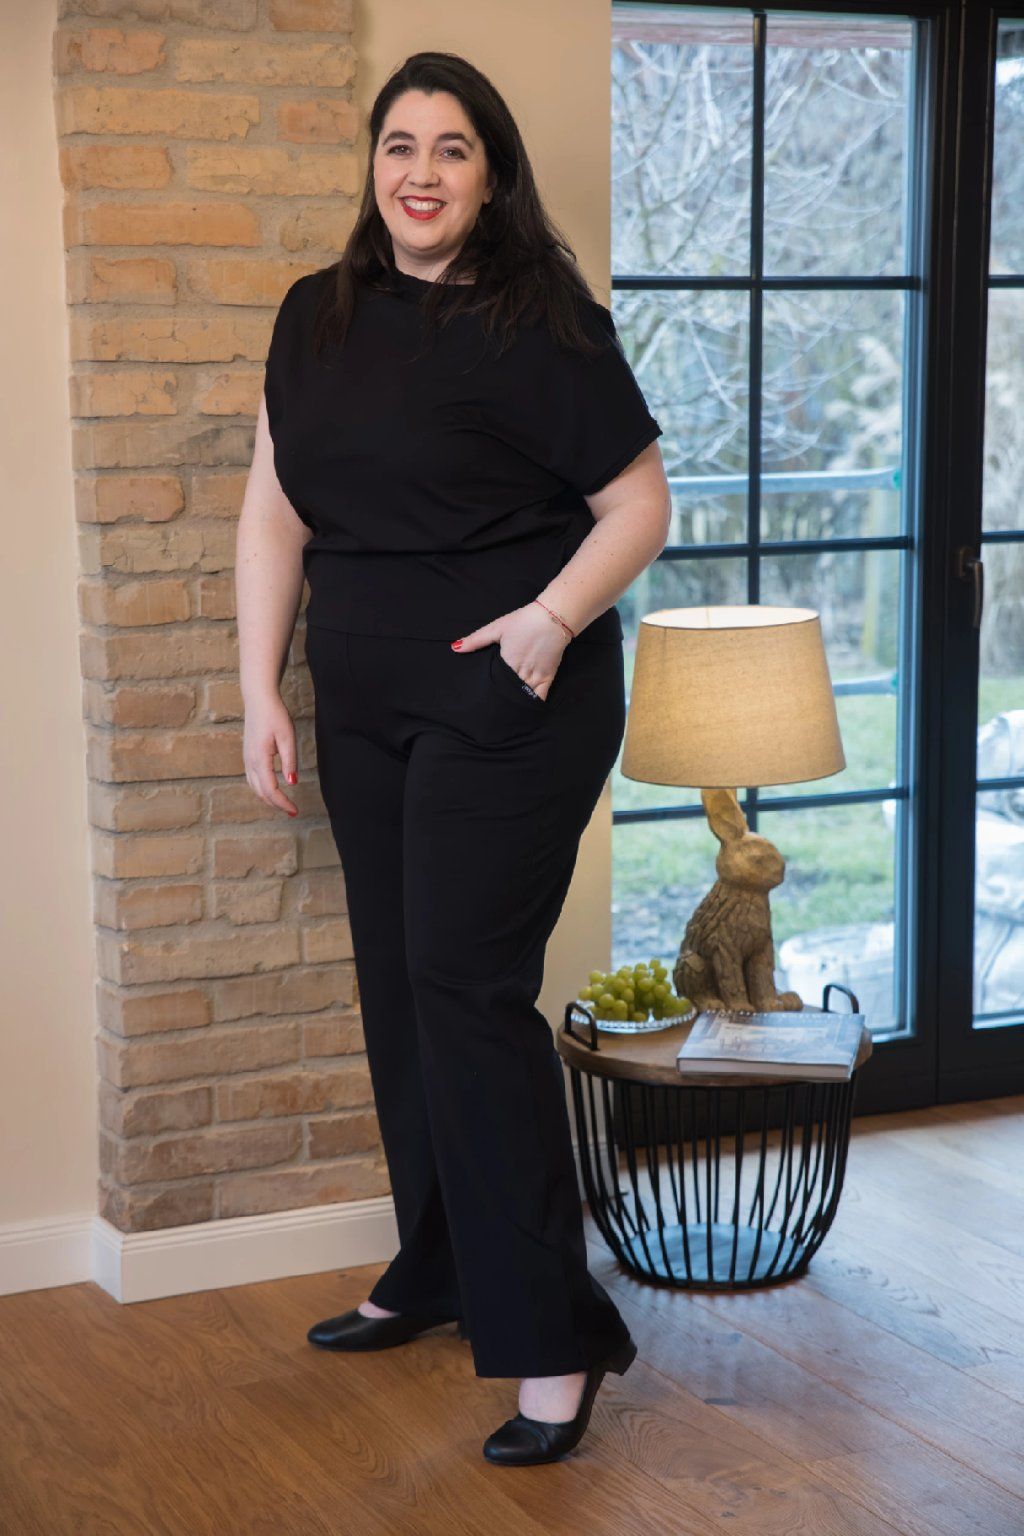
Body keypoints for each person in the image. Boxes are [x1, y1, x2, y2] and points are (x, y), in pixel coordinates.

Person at [236, 50, 670, 1467]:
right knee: (399, 989)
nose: (420, 173)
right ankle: (434, 1264)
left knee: (466, 996)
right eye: (400, 145)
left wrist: (548, 622)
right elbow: (274, 512)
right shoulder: (315, 316)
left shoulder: (544, 325)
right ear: (373, 166)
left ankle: (551, 1339)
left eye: (452, 149)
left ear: (492, 176)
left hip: (511, 699)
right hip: (362, 701)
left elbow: (641, 505)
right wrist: (257, 687)